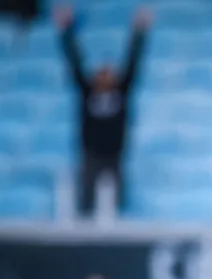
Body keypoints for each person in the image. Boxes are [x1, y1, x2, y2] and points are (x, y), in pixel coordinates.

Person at [54, 5, 152, 218]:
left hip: (115, 155)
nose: (105, 77)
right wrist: (65, 30)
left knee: (117, 201)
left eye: (109, 74)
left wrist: (140, 32)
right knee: (85, 201)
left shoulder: (122, 91)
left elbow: (134, 61)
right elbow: (74, 62)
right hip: (90, 154)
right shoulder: (87, 91)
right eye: (101, 74)